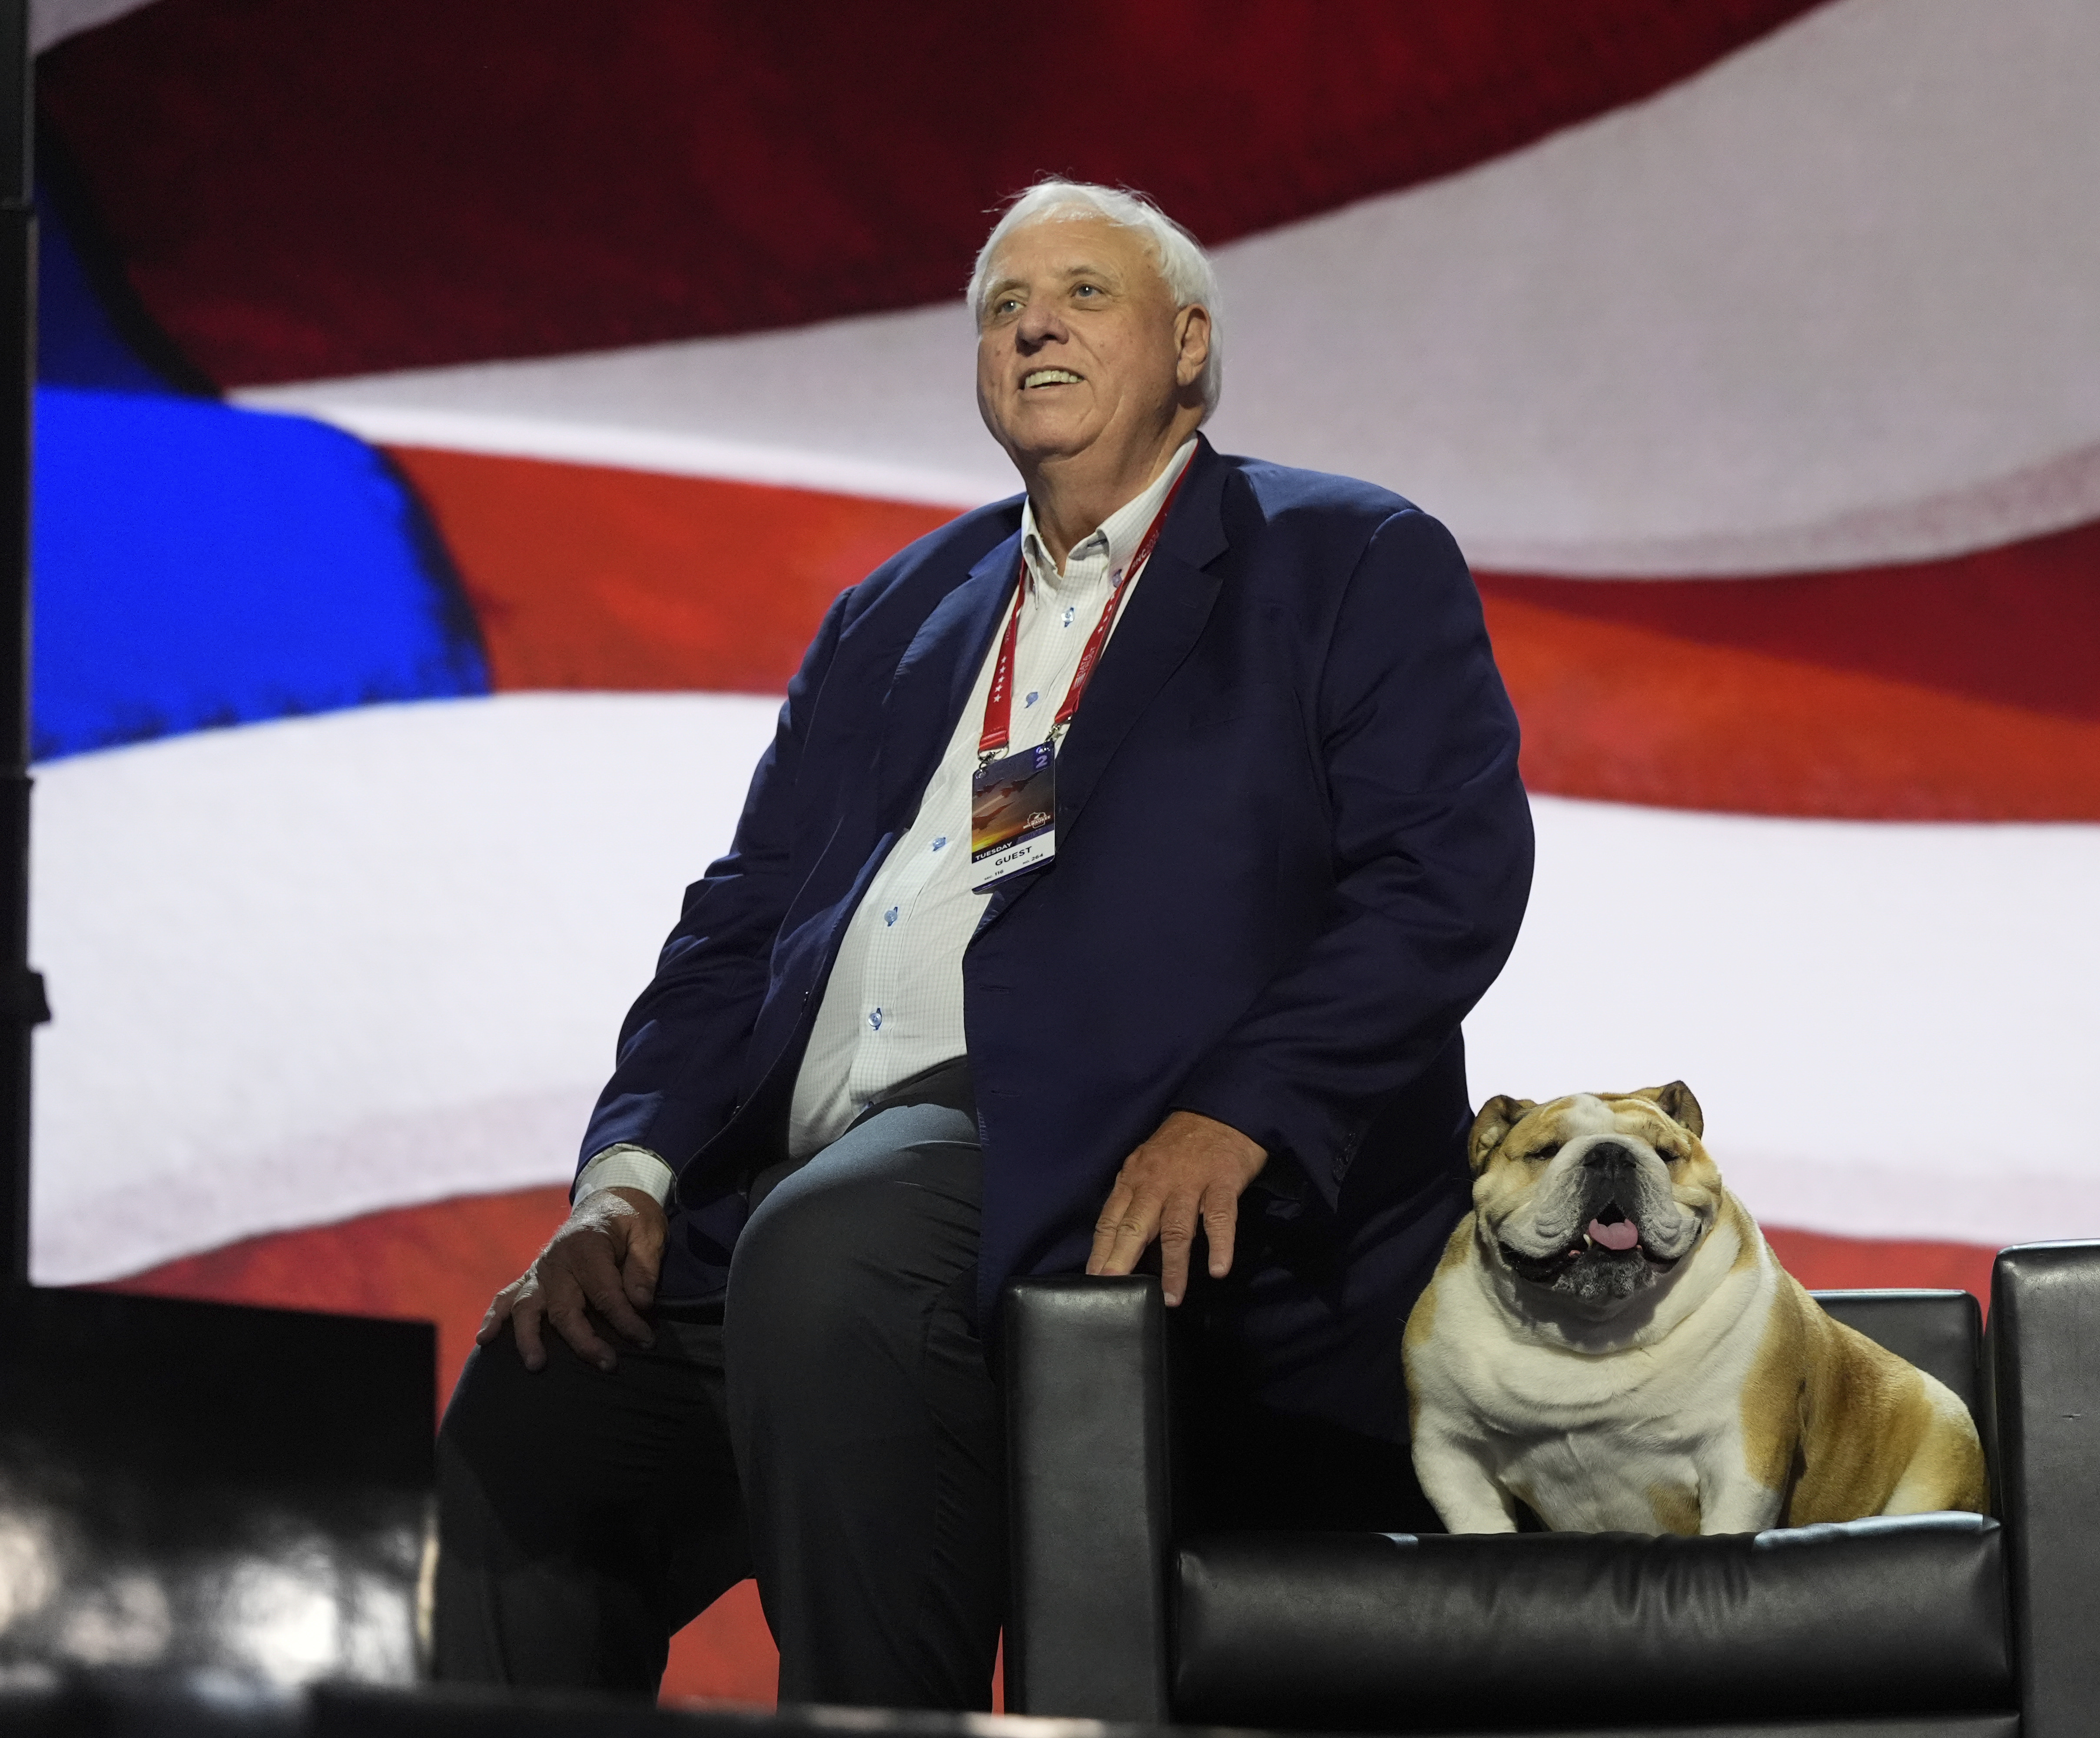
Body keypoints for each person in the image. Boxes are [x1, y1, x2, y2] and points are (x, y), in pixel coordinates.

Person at [431, 180, 1533, 1710]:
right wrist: (627, 1176)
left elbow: (1445, 877)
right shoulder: (894, 613)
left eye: (1083, 292)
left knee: (837, 1258)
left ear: (1191, 346)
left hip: (1086, 1149)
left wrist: (1248, 1106)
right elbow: (740, 922)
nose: (1034, 324)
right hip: (802, 1182)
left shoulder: (1343, 559)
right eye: (1004, 306)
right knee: (536, 1406)